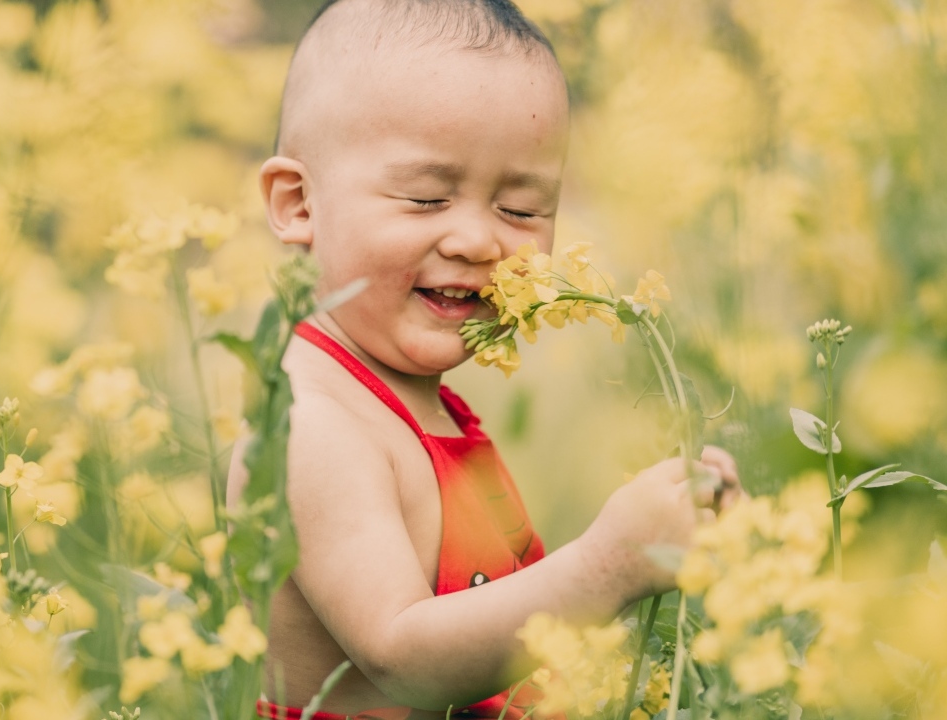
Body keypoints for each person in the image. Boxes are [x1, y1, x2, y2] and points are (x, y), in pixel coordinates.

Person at [226, 1, 742, 717]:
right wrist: (610, 565)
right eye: (427, 197)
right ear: (299, 203)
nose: (477, 241)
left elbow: (494, 623)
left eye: (523, 211)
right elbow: (402, 657)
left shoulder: (421, 405)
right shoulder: (311, 425)